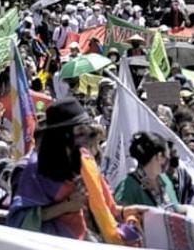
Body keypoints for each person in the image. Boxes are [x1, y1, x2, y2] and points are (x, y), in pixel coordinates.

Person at [7, 99, 142, 241]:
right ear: (63, 134)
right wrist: (66, 206)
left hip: (96, 242)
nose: (87, 134)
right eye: (80, 130)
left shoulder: (86, 160)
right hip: (60, 249)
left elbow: (105, 204)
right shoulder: (35, 170)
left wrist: (124, 212)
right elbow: (20, 221)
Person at [114, 132, 181, 210]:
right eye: (167, 156)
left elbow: (176, 208)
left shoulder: (165, 180)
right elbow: (119, 214)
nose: (168, 160)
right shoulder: (128, 185)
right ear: (159, 156)